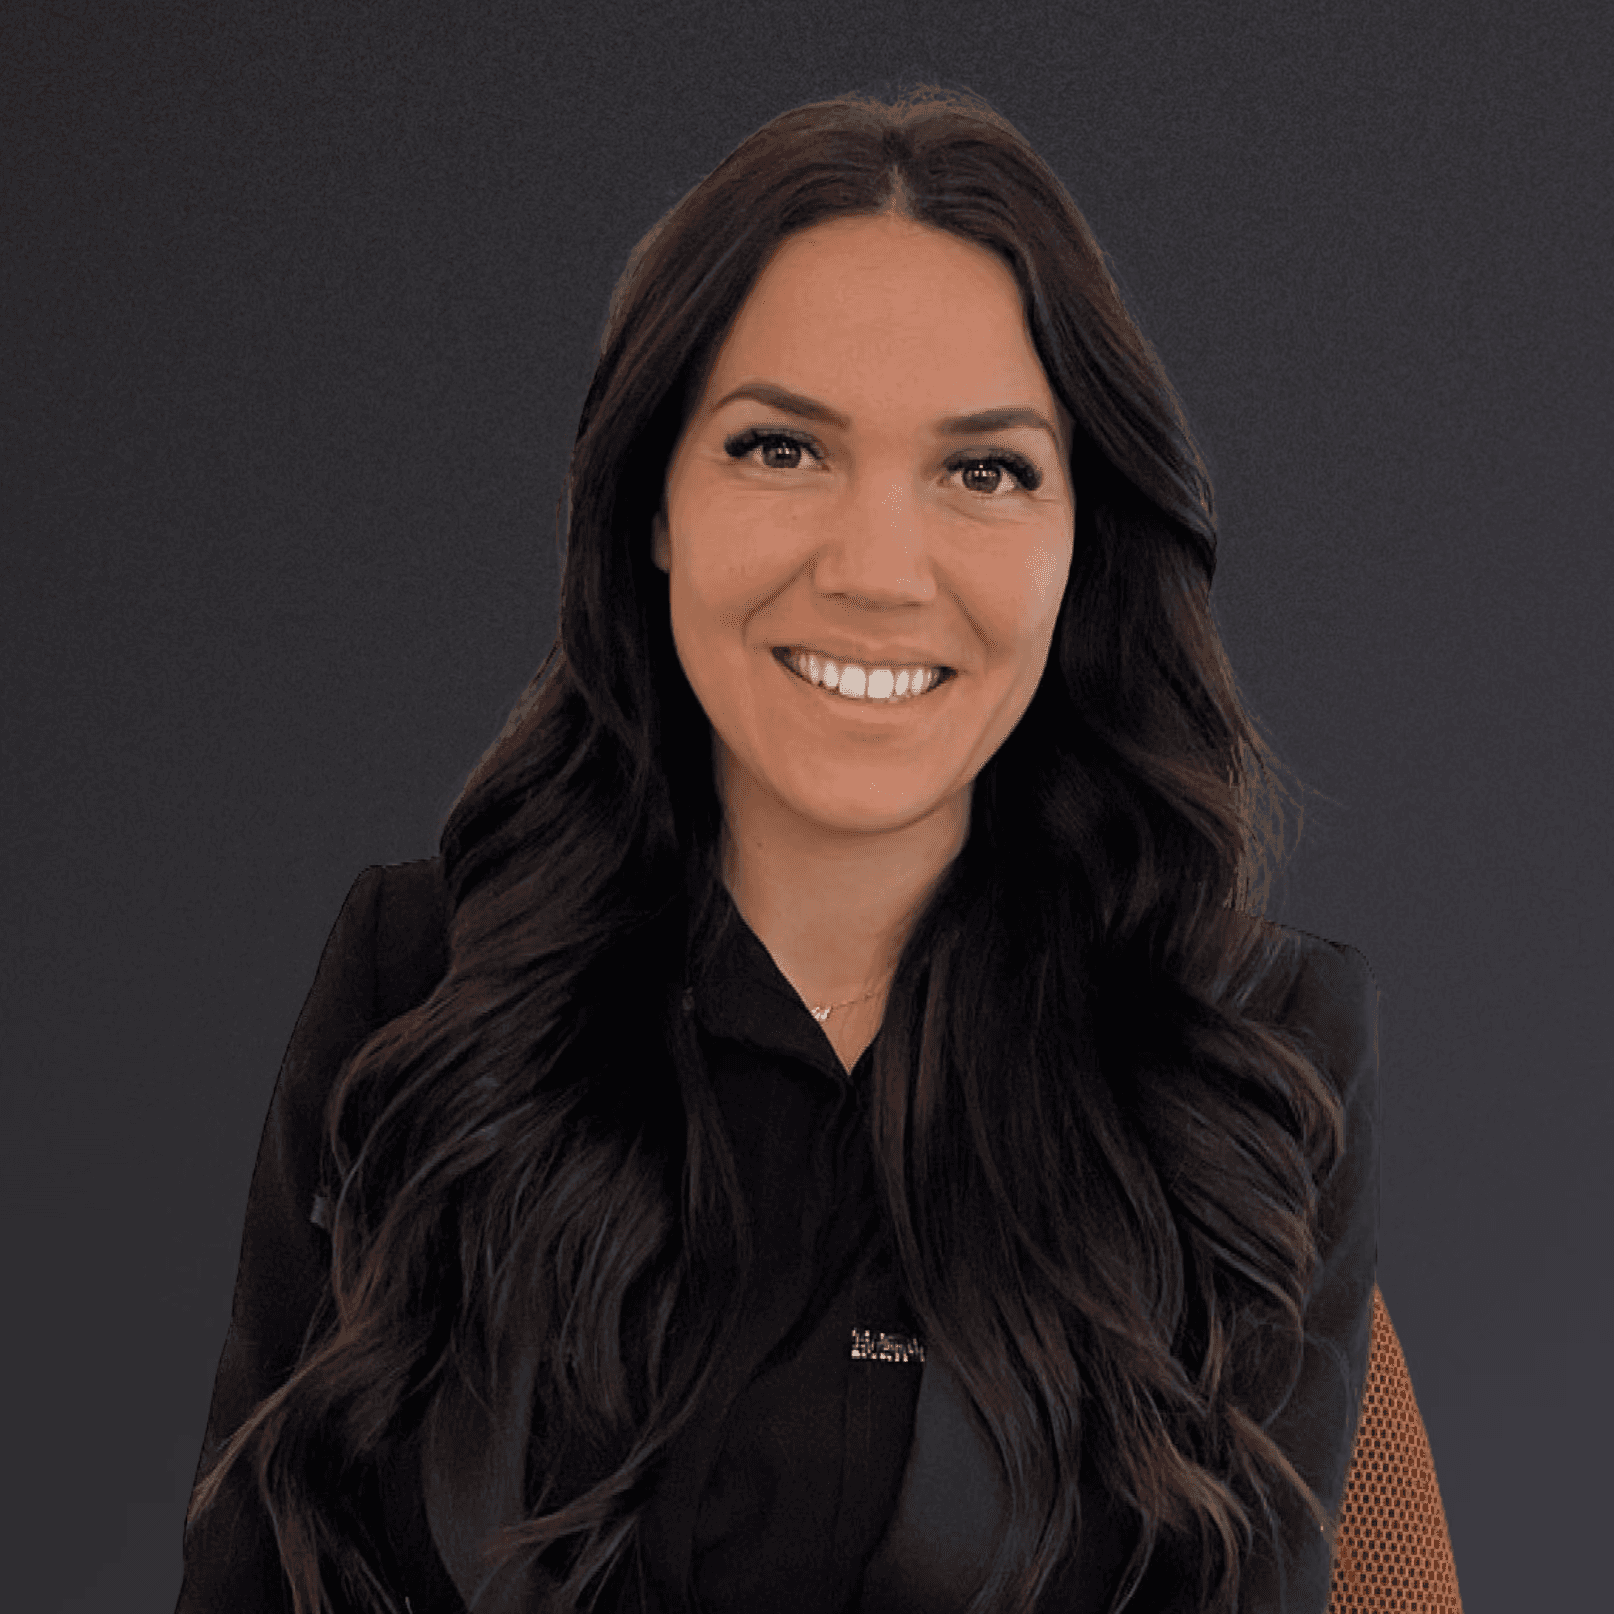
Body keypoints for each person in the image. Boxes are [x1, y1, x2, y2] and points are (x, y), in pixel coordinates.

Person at [177, 85, 1379, 1614]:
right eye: (779, 448)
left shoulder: (1251, 1054)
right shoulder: (417, 988)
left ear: (1085, 535)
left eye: (984, 468)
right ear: (652, 504)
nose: (877, 569)